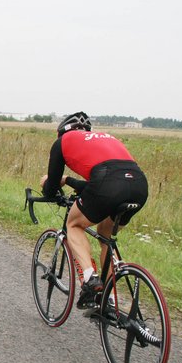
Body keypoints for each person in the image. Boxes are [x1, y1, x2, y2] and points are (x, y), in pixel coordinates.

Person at [40, 112, 148, 309]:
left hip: (107, 182)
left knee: (74, 224)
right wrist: (69, 181)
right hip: (139, 185)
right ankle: (110, 298)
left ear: (61, 131)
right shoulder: (106, 138)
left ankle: (90, 278)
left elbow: (52, 186)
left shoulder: (63, 141)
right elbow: (100, 183)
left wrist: (48, 185)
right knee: (104, 234)